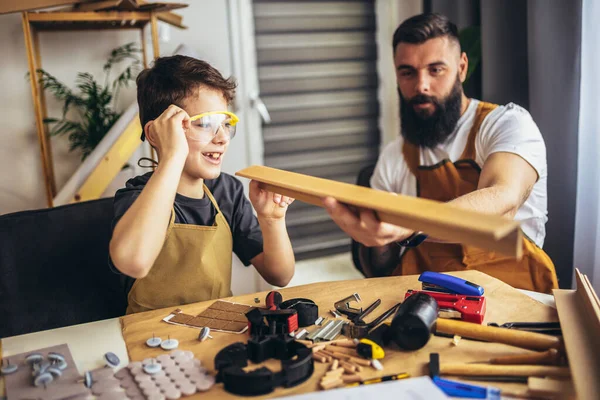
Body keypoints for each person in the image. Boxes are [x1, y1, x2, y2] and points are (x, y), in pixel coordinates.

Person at [324, 13, 558, 293]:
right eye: (407, 72)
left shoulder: (506, 125)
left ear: (461, 68)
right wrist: (375, 236)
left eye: (435, 70)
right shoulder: (394, 155)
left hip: (515, 295)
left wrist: (411, 226)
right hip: (424, 302)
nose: (421, 86)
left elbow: (502, 202)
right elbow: (380, 268)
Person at [109, 55, 295, 313]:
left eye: (226, 124)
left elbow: (280, 276)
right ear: (156, 133)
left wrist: (272, 220)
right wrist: (173, 155)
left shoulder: (226, 191)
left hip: (216, 327)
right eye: (206, 124)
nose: (222, 139)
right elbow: (135, 262)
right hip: (152, 338)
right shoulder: (136, 197)